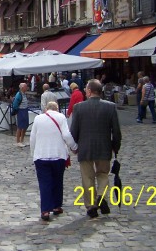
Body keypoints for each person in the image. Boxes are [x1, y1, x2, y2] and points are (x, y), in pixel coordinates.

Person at [70, 79, 122, 218]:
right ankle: (101, 195)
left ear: (89, 91)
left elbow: (74, 130)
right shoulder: (110, 107)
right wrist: (115, 146)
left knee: (87, 177)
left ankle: (91, 206)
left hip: (85, 147)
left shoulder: (79, 107)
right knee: (103, 174)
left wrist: (74, 146)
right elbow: (116, 131)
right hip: (104, 147)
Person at [30, 101, 78, 221]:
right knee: (58, 181)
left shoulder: (38, 119)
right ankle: (56, 206)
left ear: (46, 109)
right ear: (57, 109)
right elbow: (66, 135)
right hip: (58, 155)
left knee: (44, 183)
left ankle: (45, 210)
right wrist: (74, 147)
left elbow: (33, 138)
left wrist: (33, 153)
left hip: (41, 156)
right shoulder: (61, 117)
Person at [13, 83, 29, 147]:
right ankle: (18, 141)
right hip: (21, 111)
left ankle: (22, 140)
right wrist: (17, 110)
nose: (27, 88)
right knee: (20, 126)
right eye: (26, 87)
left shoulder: (24, 94)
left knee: (25, 125)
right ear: (22, 88)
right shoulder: (19, 95)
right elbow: (15, 104)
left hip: (25, 110)